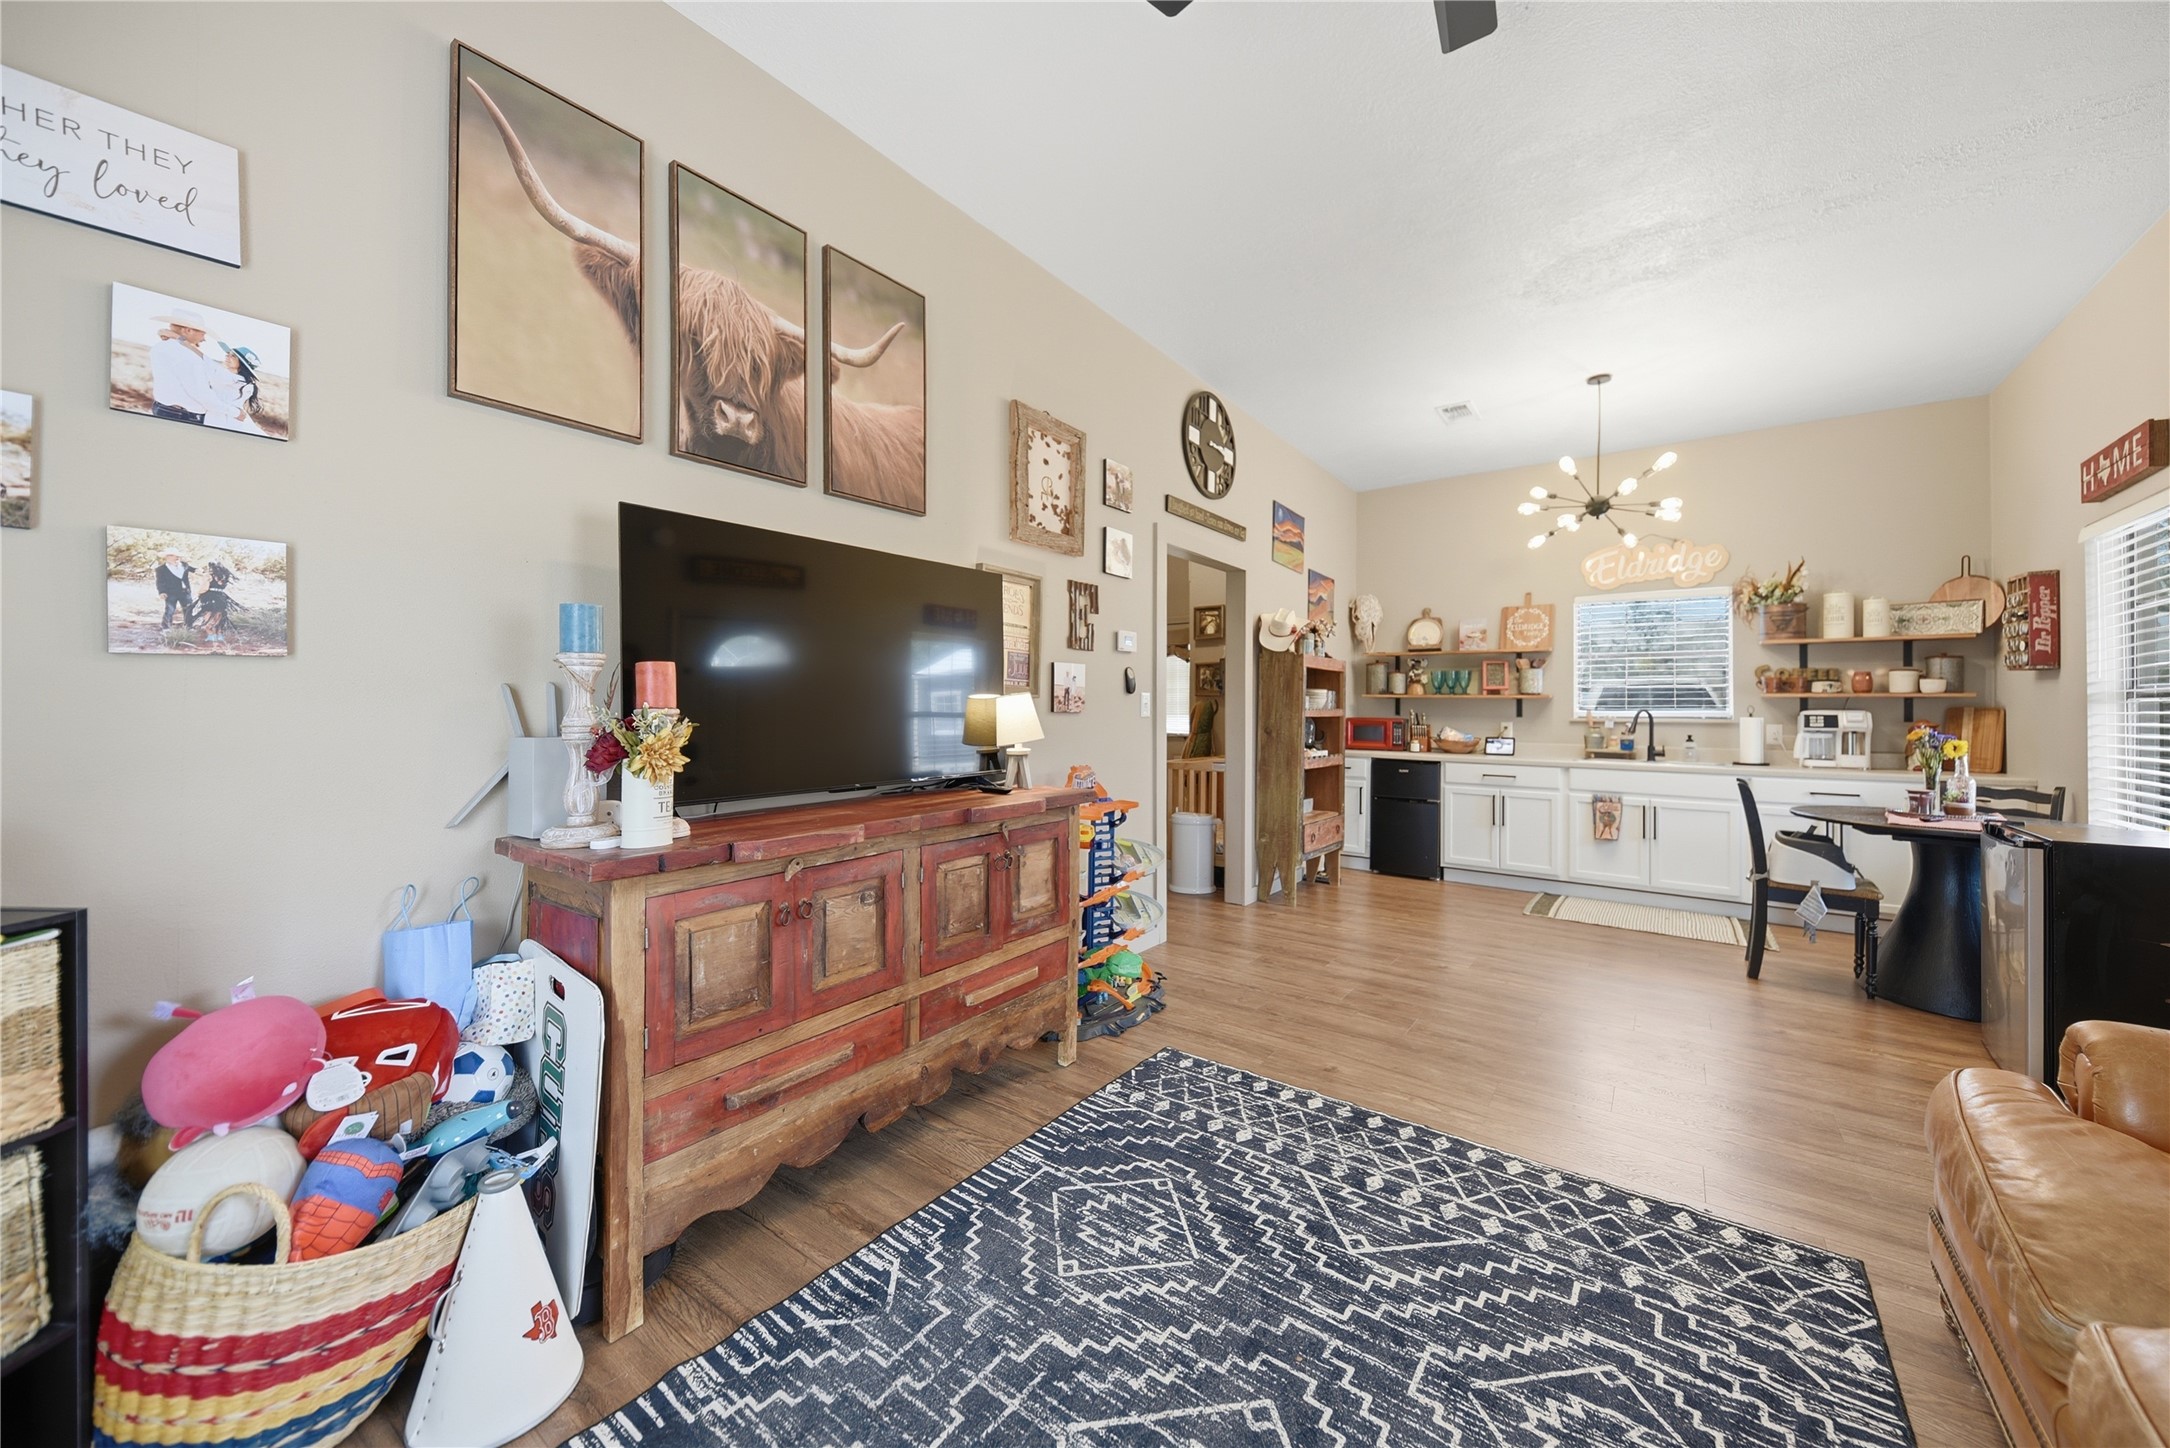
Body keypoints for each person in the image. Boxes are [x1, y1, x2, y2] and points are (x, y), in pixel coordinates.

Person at [147, 308, 219, 424]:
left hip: (162, 407)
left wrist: (177, 338)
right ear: (188, 330)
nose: (204, 338)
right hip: (185, 415)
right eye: (202, 333)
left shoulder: (159, 347)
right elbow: (200, 392)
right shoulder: (189, 356)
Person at [205, 344, 270, 437]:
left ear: (242, 363)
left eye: (233, 356)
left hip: (226, 420)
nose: (228, 357)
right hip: (228, 417)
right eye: (228, 354)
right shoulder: (241, 380)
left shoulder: (235, 380)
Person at [154, 548, 195, 629]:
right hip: (171, 593)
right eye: (175, 556)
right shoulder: (161, 569)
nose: (177, 558)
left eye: (178, 556)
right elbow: (160, 582)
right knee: (170, 610)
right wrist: (162, 592)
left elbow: (193, 569)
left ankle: (189, 627)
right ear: (168, 557)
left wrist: (199, 571)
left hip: (185, 592)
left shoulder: (184, 565)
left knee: (188, 610)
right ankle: (166, 628)